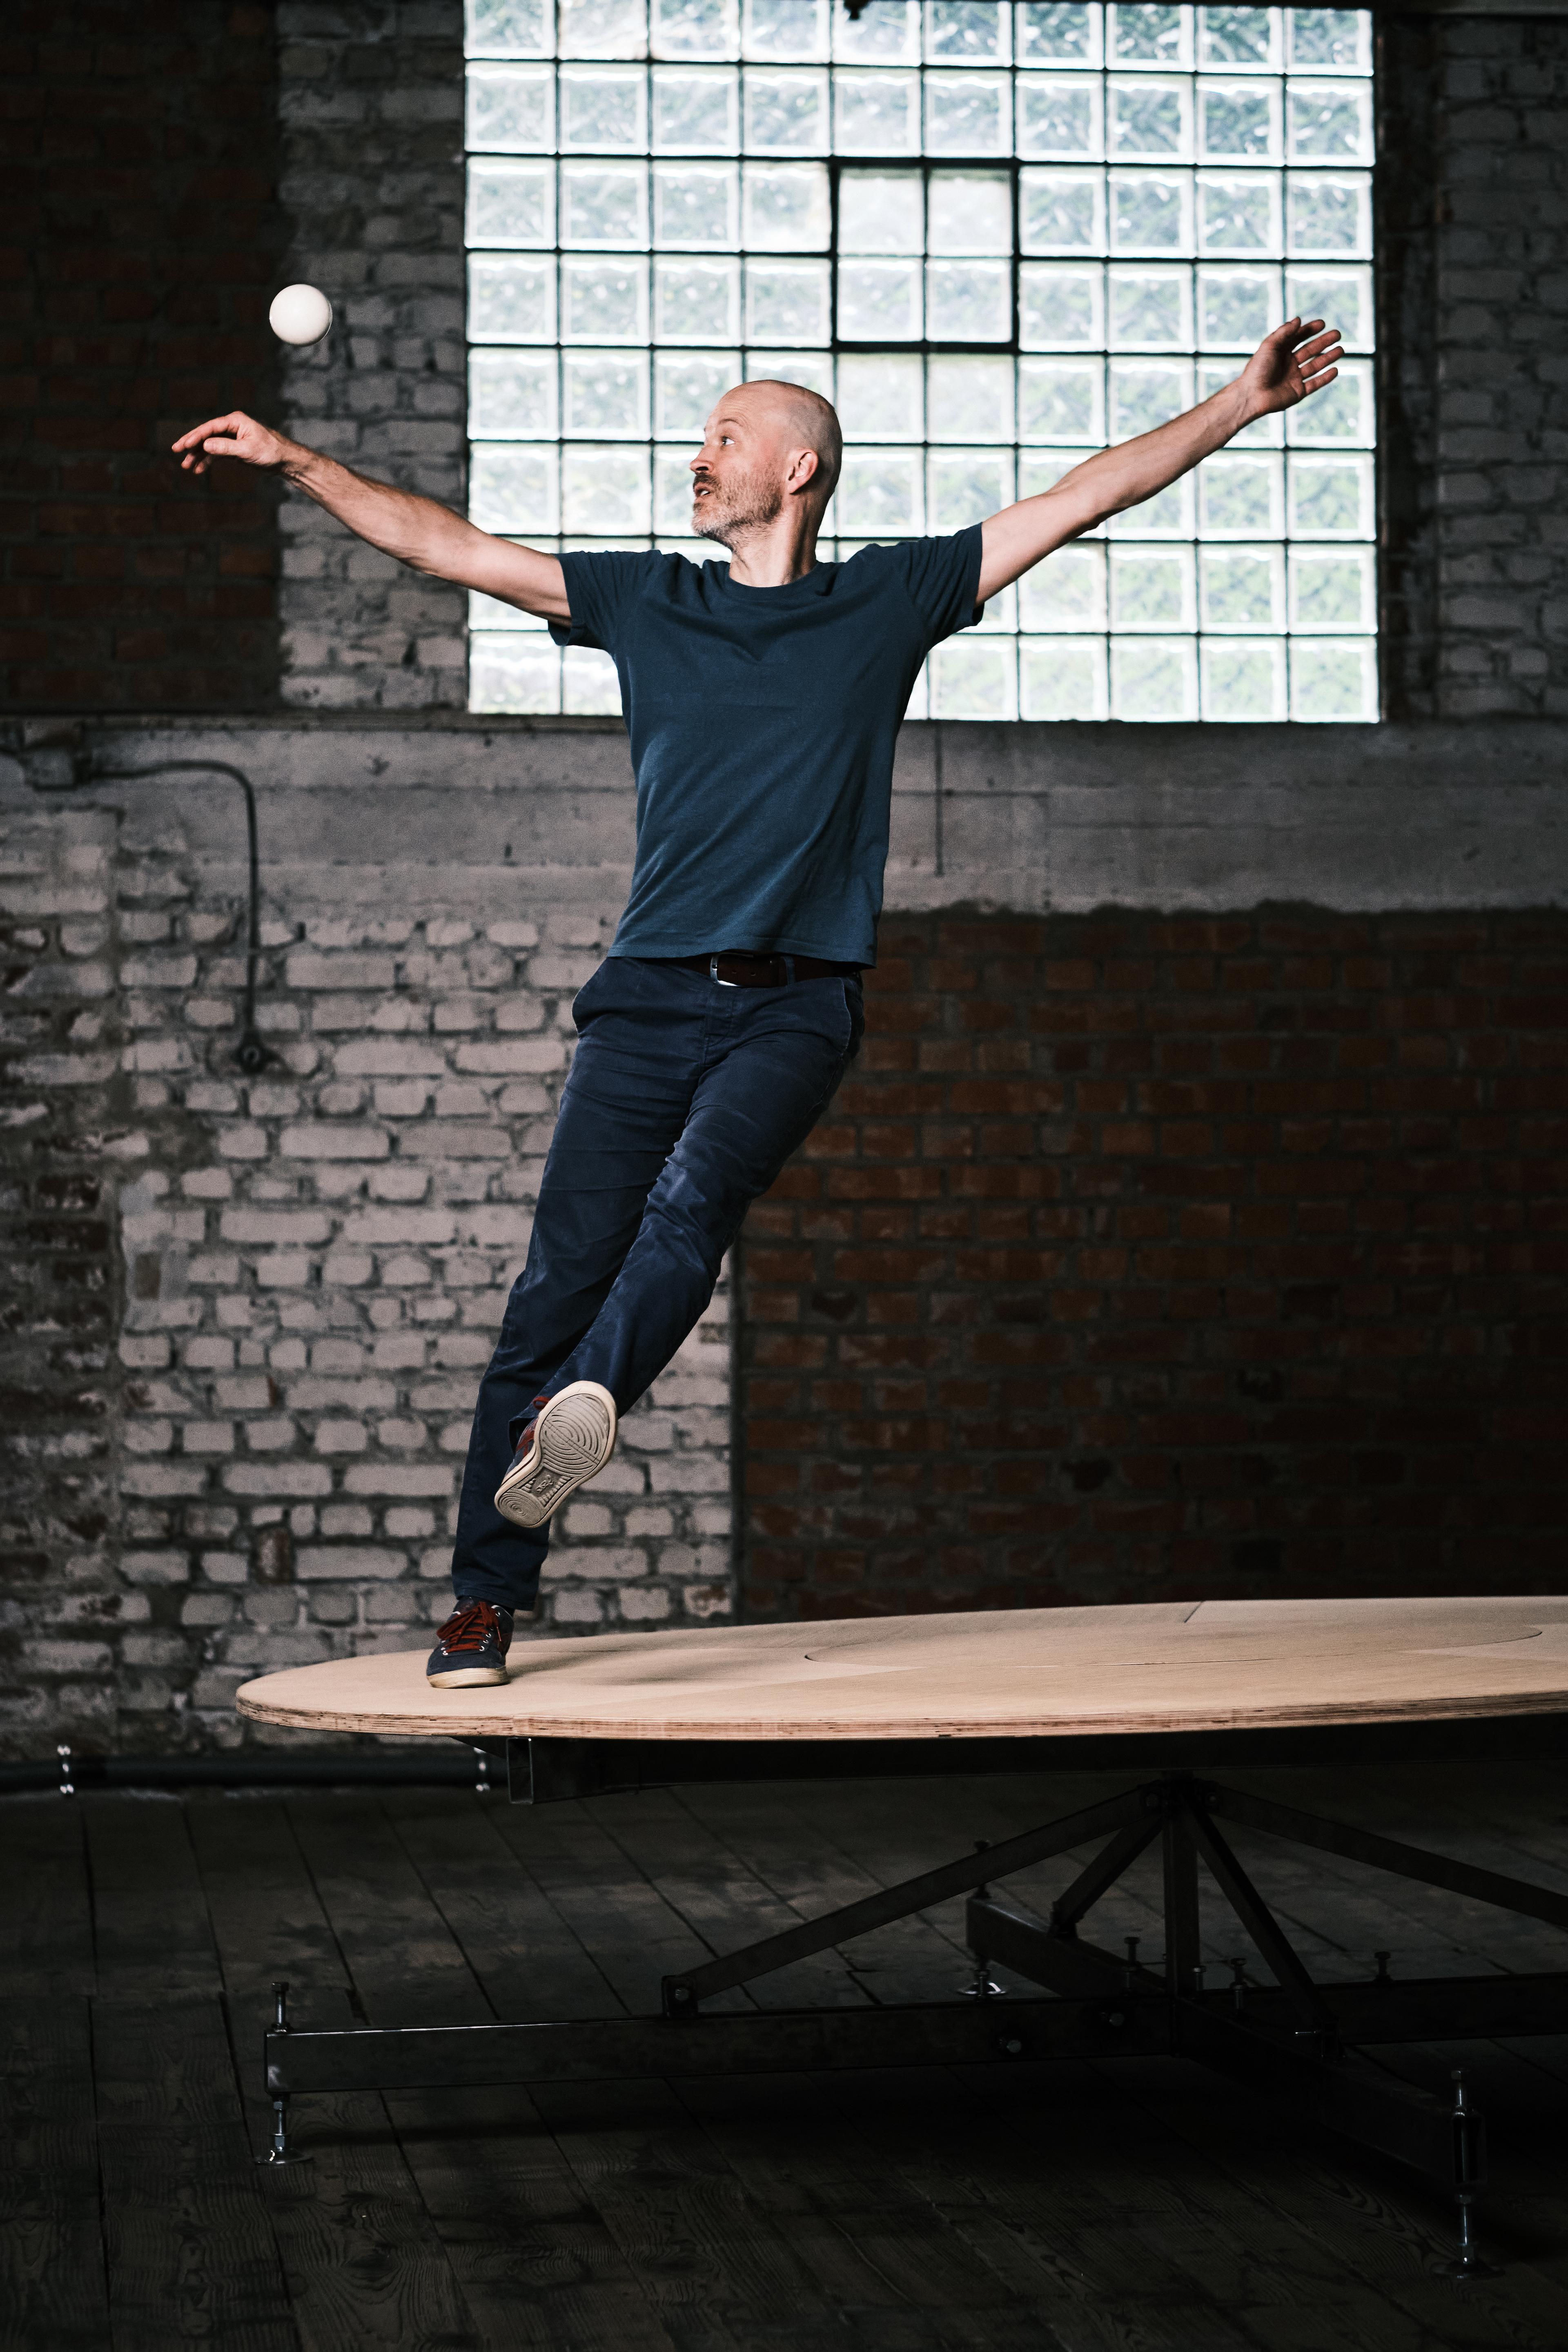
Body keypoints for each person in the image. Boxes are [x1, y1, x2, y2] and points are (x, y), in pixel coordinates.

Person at [173, 314, 1342, 1688]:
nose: (697, 458)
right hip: (649, 999)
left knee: (695, 1207)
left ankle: (590, 1400)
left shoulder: (892, 601)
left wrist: (1238, 406)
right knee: (544, 1296)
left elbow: (1090, 493)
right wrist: (295, 460)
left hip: (797, 1005)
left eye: (725, 437)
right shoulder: (647, 602)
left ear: (799, 468)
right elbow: (448, 543)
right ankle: (487, 1599)